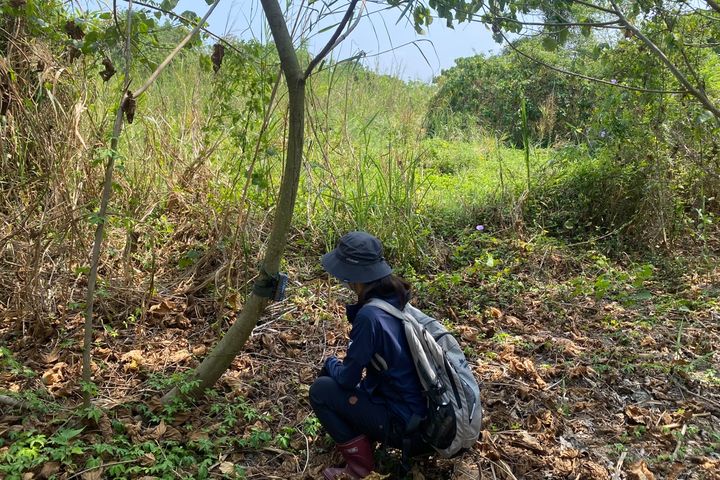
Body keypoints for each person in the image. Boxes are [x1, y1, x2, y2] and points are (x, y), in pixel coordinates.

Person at [309, 231, 430, 480]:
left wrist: (330, 363)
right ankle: (365, 439)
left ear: (353, 276)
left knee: (321, 390)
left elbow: (346, 380)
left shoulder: (369, 317)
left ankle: (358, 469)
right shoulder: (396, 299)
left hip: (404, 425)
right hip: (422, 418)